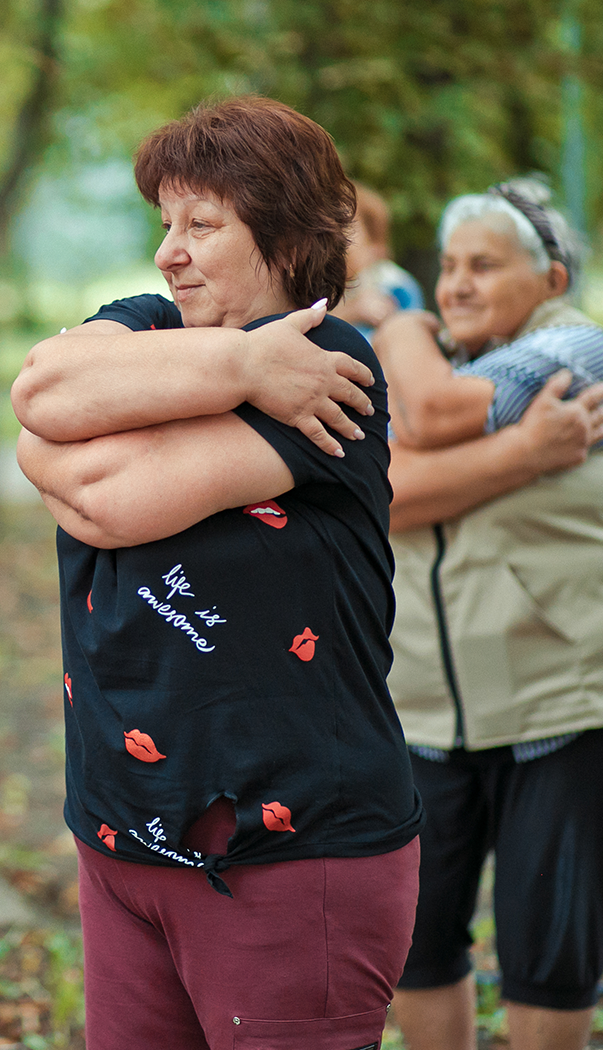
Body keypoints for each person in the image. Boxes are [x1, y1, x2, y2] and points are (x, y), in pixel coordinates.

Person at [11, 96, 424, 1050]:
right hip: (120, 836)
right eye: (165, 223)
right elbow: (39, 393)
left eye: (203, 225)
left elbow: (106, 497)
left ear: (281, 237)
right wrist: (240, 366)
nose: (169, 252)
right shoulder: (153, 325)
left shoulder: (331, 365)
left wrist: (69, 448)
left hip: (289, 854)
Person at [372, 177, 603, 1050]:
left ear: (550, 279)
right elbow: (383, 496)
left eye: (485, 266)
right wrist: (525, 450)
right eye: (448, 267)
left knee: (549, 945)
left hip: (560, 700)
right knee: (418, 943)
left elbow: (428, 420)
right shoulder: (431, 361)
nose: (457, 284)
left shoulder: (580, 347)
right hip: (423, 706)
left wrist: (397, 322)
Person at [332, 183, 424, 341]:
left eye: (345, 227)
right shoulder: (322, 288)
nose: (335, 237)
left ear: (374, 243)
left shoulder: (393, 286)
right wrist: (351, 311)